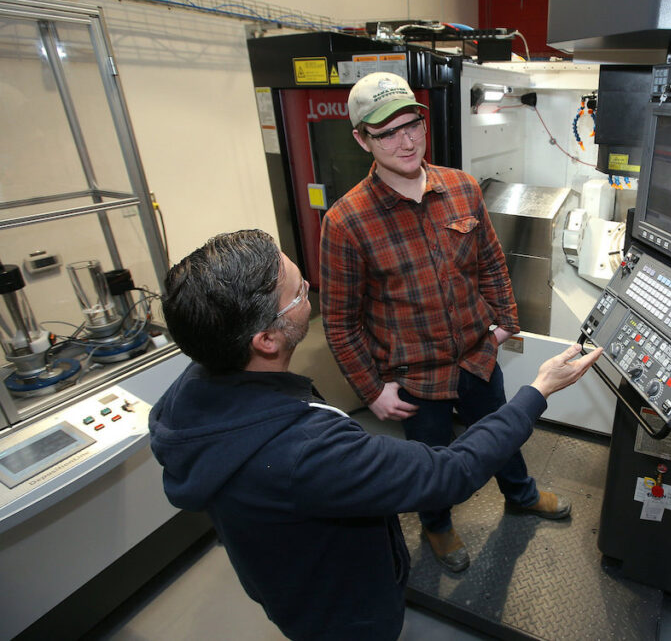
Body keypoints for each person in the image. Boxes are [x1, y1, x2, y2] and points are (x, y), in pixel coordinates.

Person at [148, 229, 600, 641]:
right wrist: (540, 389)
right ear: (266, 340)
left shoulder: (195, 384)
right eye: (300, 290)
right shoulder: (307, 451)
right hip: (348, 613)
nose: (309, 290)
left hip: (284, 582)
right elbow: (451, 471)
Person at [319, 72, 569, 573]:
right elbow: (340, 323)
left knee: (503, 431)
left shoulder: (462, 188)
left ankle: (520, 494)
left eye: (412, 124)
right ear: (361, 139)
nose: (406, 140)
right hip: (415, 377)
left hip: (478, 356)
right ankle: (437, 526)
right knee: (431, 464)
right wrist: (371, 391)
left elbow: (492, 263)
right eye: (387, 132)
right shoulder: (346, 222)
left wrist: (504, 325)